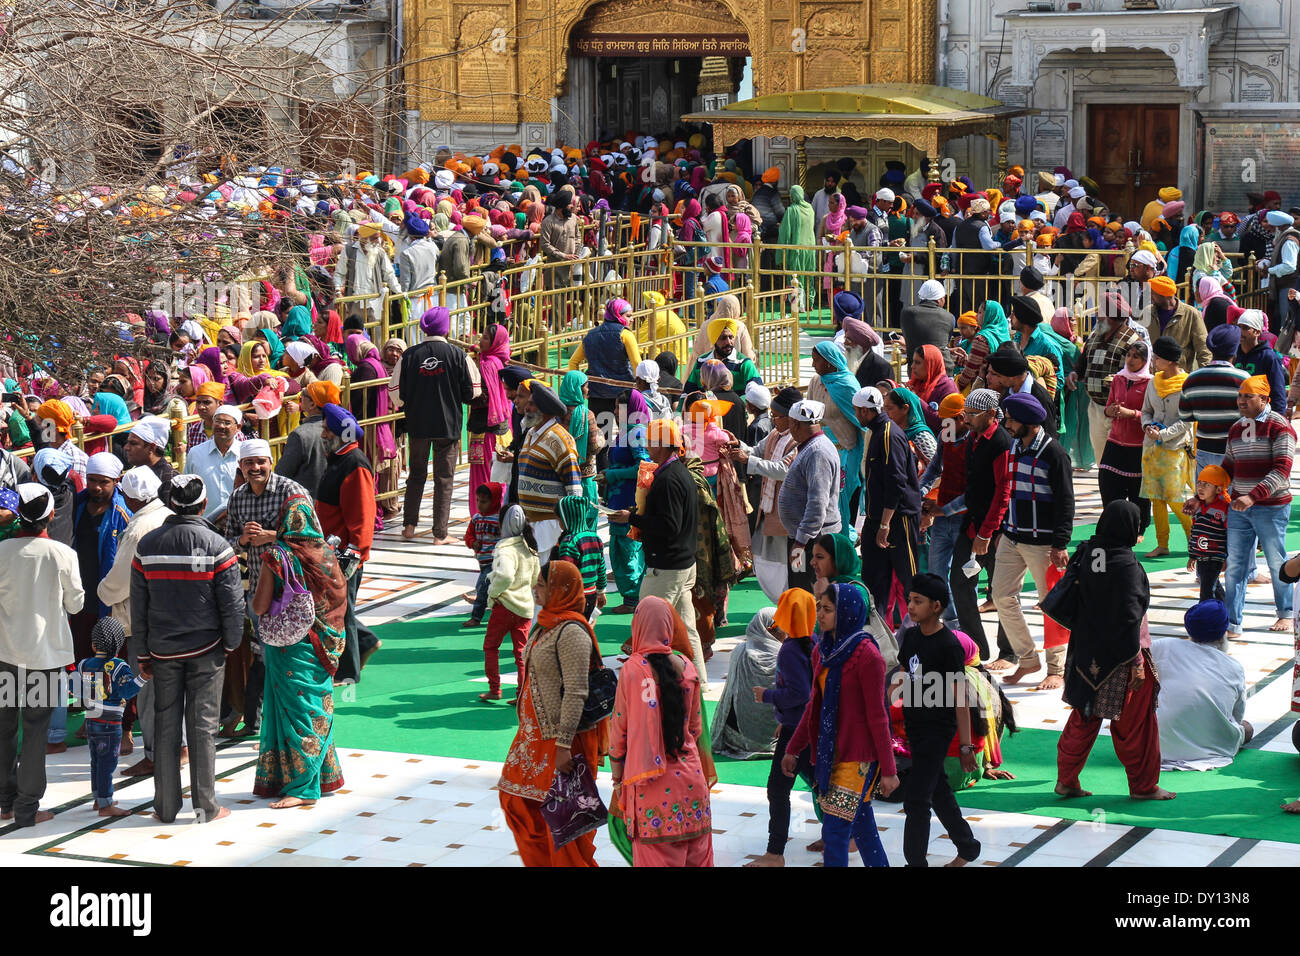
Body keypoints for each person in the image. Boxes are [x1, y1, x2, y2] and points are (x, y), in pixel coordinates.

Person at [132, 474, 245, 824]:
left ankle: (165, 807)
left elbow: (140, 604)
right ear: (202, 504)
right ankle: (205, 807)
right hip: (206, 649)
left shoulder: (147, 546)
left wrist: (143, 653)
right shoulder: (217, 545)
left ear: (171, 504)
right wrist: (230, 643)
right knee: (202, 726)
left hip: (163, 652)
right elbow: (232, 604)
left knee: (166, 727)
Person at [1056, 500, 1175, 802]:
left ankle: (1066, 780)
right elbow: (1130, 617)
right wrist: (1136, 661)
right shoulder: (1127, 565)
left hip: (1084, 654)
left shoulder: (1086, 552)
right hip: (1122, 658)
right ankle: (1144, 786)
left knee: (1084, 716)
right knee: (1136, 725)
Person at [498, 560, 605, 867]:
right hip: (533, 736)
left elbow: (576, 691)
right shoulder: (546, 622)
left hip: (560, 740)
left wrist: (562, 745)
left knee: (562, 819)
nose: (536, 589)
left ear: (560, 589)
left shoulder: (572, 632)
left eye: (542, 584)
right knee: (516, 801)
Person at [786, 581, 897, 867]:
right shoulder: (822, 651)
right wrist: (793, 749)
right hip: (830, 751)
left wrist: (889, 770)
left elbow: (878, 715)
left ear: (847, 612)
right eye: (819, 608)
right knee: (862, 826)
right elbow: (814, 705)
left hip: (859, 757)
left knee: (834, 832)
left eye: (827, 609)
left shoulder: (867, 655)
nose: (819, 615)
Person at [249, 491, 347, 807]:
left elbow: (261, 605)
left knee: (296, 714)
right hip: (325, 645)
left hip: (290, 645)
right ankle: (322, 775)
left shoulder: (278, 556)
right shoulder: (328, 555)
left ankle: (304, 789)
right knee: (317, 708)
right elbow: (339, 599)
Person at [609, 596, 715, 867]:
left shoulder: (632, 670)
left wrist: (618, 777)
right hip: (692, 786)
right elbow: (695, 728)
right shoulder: (688, 667)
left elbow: (619, 731)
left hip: (650, 788)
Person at [0, 483, 83, 827]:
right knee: (35, 730)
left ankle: (5, 801)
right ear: (50, 515)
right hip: (45, 658)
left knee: (5, 727)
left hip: (4, 652)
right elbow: (76, 605)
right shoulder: (62, 554)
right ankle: (26, 807)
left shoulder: (2, 550)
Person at [891, 573, 982, 866]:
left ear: (936, 606)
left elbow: (960, 698)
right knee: (938, 789)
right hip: (914, 727)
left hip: (937, 730)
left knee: (917, 801)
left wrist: (966, 747)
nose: (910, 607)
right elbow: (905, 673)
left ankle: (915, 862)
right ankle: (968, 847)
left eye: (918, 601)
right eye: (909, 601)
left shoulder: (948, 646)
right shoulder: (913, 636)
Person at [224, 440, 310, 737]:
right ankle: (262, 720)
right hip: (259, 593)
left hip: (292, 593)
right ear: (241, 467)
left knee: (293, 657)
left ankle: (296, 716)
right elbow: (228, 542)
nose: (255, 468)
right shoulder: (237, 498)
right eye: (249, 463)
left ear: (271, 462)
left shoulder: (292, 491)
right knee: (264, 656)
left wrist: (272, 536)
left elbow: (312, 539)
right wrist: (245, 541)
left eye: (261, 462)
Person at [615, 418, 708, 683]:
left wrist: (631, 519)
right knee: (687, 629)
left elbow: (668, 525)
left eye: (650, 442)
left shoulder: (667, 479)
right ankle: (698, 682)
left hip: (667, 567)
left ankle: (644, 683)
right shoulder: (678, 472)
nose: (646, 446)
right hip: (682, 564)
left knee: (646, 626)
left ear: (663, 445)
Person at [993, 393, 1074, 689]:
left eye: (1011, 419)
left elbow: (1066, 501)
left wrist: (1060, 543)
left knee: (1051, 604)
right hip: (1012, 537)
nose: (1006, 424)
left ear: (1027, 422)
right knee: (1001, 596)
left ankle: (1056, 668)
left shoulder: (1055, 454)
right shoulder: (1015, 445)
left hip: (1044, 544)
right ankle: (1028, 660)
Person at [96, 467, 174, 776]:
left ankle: (155, 755)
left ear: (129, 495)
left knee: (147, 689)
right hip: (172, 617)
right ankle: (177, 747)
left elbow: (119, 580)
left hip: (143, 619)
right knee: (170, 688)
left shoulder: (140, 526)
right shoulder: (169, 515)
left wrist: (102, 591)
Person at [747, 589, 817, 868]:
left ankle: (775, 853)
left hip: (797, 730)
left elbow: (799, 693)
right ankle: (847, 833)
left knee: (777, 789)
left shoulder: (789, 650)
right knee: (820, 782)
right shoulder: (813, 642)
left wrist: (767, 695)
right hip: (807, 724)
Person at [394, 306, 476, 544]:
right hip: (447, 425)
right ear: (446, 327)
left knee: (416, 474)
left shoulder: (409, 355)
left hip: (417, 425)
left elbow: (395, 393)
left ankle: (409, 526)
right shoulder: (458, 354)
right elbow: (472, 392)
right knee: (444, 478)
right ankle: (440, 534)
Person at [1222, 375, 1295, 637]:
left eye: (1248, 396)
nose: (1241, 400)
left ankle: (1286, 614)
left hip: (1271, 507)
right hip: (1240, 508)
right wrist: (1206, 493)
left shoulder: (1279, 426)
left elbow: (1282, 469)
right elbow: (1228, 466)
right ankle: (1232, 623)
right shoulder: (1237, 427)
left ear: (1264, 399)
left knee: (1277, 562)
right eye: (1240, 395)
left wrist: (1253, 496)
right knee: (1235, 566)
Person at [315, 404, 379, 684]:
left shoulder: (354, 463)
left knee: (343, 609)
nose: (322, 434)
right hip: (331, 552)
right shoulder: (340, 458)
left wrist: (354, 555)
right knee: (342, 607)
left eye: (326, 430)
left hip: (342, 555)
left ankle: (348, 671)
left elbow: (363, 516)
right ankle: (365, 642)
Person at [1151, 600, 1250, 771]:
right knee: (1247, 728)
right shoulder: (1234, 667)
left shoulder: (1165, 646)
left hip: (1157, 746)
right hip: (1212, 750)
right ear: (1224, 632)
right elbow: (1237, 715)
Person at [854, 387, 921, 620]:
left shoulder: (888, 435)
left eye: (857, 411)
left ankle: (923, 633)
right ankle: (881, 635)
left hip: (897, 519)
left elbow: (895, 482)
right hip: (878, 519)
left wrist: (885, 525)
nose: (855, 415)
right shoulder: (877, 431)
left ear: (865, 410)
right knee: (874, 580)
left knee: (910, 579)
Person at [74, 617, 144, 817]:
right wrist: (143, 678)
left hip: (91, 721)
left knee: (95, 761)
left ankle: (99, 799)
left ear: (93, 644)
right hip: (110, 724)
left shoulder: (84, 664)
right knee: (107, 763)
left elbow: (74, 688)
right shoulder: (120, 666)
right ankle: (105, 805)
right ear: (119, 644)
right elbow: (126, 692)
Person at [777, 400, 842, 595]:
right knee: (800, 589)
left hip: (812, 540)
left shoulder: (817, 452)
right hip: (806, 538)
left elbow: (817, 504)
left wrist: (800, 542)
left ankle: (810, 626)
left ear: (795, 424)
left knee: (806, 592)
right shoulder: (811, 447)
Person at [1139, 336, 1193, 559]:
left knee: (1175, 499)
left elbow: (1187, 421)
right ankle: (1163, 543)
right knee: (1156, 498)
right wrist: (1147, 426)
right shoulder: (1154, 382)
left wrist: (1163, 434)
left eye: (1158, 358)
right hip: (1152, 448)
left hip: (1174, 449)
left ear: (1170, 361)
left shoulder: (1187, 385)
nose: (1154, 361)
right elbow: (1146, 410)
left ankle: (1195, 539)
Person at [516, 380, 583, 558]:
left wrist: (571, 529)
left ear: (543, 410)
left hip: (550, 527)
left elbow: (574, 488)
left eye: (531, 404)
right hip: (530, 525)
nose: (526, 408)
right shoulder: (531, 434)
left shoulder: (560, 439)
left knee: (547, 579)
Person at [481, 504, 539, 702]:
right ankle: (522, 694)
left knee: (491, 647)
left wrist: (494, 594)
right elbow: (535, 578)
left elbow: (504, 575)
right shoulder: (530, 545)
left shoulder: (505, 548)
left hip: (504, 606)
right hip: (525, 607)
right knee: (521, 654)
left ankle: (494, 689)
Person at [807, 341, 865, 536]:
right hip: (821, 451)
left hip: (845, 453)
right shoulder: (816, 381)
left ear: (829, 362)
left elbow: (863, 423)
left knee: (839, 501)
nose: (813, 365)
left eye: (816, 360)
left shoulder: (847, 385)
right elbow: (809, 415)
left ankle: (842, 542)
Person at [712, 606, 781, 759]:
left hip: (734, 737)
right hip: (773, 738)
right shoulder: (782, 656)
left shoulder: (740, 650)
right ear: (771, 630)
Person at [1097, 341, 1153, 531]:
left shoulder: (1150, 383)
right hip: (1115, 440)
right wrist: (1110, 411)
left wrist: (1132, 414)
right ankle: (1112, 524)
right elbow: (1108, 406)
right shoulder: (1119, 379)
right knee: (1107, 481)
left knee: (1137, 490)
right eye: (1128, 355)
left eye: (1136, 356)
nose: (1130, 360)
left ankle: (1139, 527)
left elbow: (1150, 414)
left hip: (1137, 444)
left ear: (1145, 361)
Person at [1179, 324, 1249, 472]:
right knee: (1232, 495)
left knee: (1205, 494)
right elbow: (1252, 417)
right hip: (1235, 451)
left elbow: (1185, 416)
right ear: (1234, 350)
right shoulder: (1244, 379)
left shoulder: (1191, 379)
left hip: (1205, 450)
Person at [566, 298, 641, 426]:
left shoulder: (590, 335)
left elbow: (573, 362)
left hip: (596, 393)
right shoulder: (625, 335)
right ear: (618, 315)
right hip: (622, 394)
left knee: (600, 438)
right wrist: (640, 387)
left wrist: (580, 388)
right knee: (625, 436)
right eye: (628, 316)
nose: (632, 319)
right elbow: (637, 364)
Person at [274, 380, 334, 497]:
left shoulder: (300, 435)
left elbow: (282, 473)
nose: (300, 395)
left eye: (304, 394)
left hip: (306, 504)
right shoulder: (341, 429)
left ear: (312, 405)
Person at [1139, 275, 1210, 371]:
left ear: (1164, 295)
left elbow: (1204, 349)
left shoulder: (1191, 314)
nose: (1150, 297)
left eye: (1153, 293)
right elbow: (1139, 344)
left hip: (1178, 377)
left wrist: (1205, 376)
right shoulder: (1147, 312)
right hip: (1151, 376)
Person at [188, 404, 243, 528]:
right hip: (204, 525)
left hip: (238, 524)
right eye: (217, 421)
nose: (221, 426)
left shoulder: (245, 454)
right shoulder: (196, 453)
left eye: (227, 423)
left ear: (238, 427)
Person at [553, 494, 606, 619]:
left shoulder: (569, 542)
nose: (559, 522)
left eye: (559, 519)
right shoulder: (595, 537)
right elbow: (601, 567)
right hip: (591, 595)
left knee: (570, 631)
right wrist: (601, 591)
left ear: (567, 519)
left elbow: (566, 573)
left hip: (573, 597)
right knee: (583, 628)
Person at [1184, 465, 1230, 601]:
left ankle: (1205, 614)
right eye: (1199, 483)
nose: (1200, 487)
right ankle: (1224, 608)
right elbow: (1195, 532)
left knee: (1206, 590)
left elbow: (1229, 535)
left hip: (1215, 557)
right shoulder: (1198, 507)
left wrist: (1226, 557)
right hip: (1201, 557)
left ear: (1218, 489)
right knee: (1213, 585)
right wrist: (1192, 555)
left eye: (1207, 484)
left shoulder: (1224, 508)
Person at [463, 482, 504, 627]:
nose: (480, 505)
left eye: (484, 502)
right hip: (483, 561)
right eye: (478, 501)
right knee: (490, 590)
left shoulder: (500, 518)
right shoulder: (476, 518)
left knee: (482, 587)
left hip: (496, 561)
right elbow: (468, 535)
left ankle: (476, 617)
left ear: (494, 501)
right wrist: (472, 542)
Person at [1234, 310, 1286, 414]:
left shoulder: (1269, 357)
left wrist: (1278, 421)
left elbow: (1278, 393)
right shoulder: (1234, 355)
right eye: (1238, 327)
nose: (1240, 331)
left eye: (1245, 328)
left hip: (1261, 417)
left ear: (1257, 332)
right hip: (1237, 417)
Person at [899, 279, 955, 356]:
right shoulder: (949, 317)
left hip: (916, 364)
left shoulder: (906, 313)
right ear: (940, 299)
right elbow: (941, 344)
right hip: (942, 364)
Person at [124, 415, 178, 487]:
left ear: (152, 447)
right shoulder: (134, 475)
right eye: (127, 442)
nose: (126, 448)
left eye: (133, 443)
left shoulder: (170, 480)